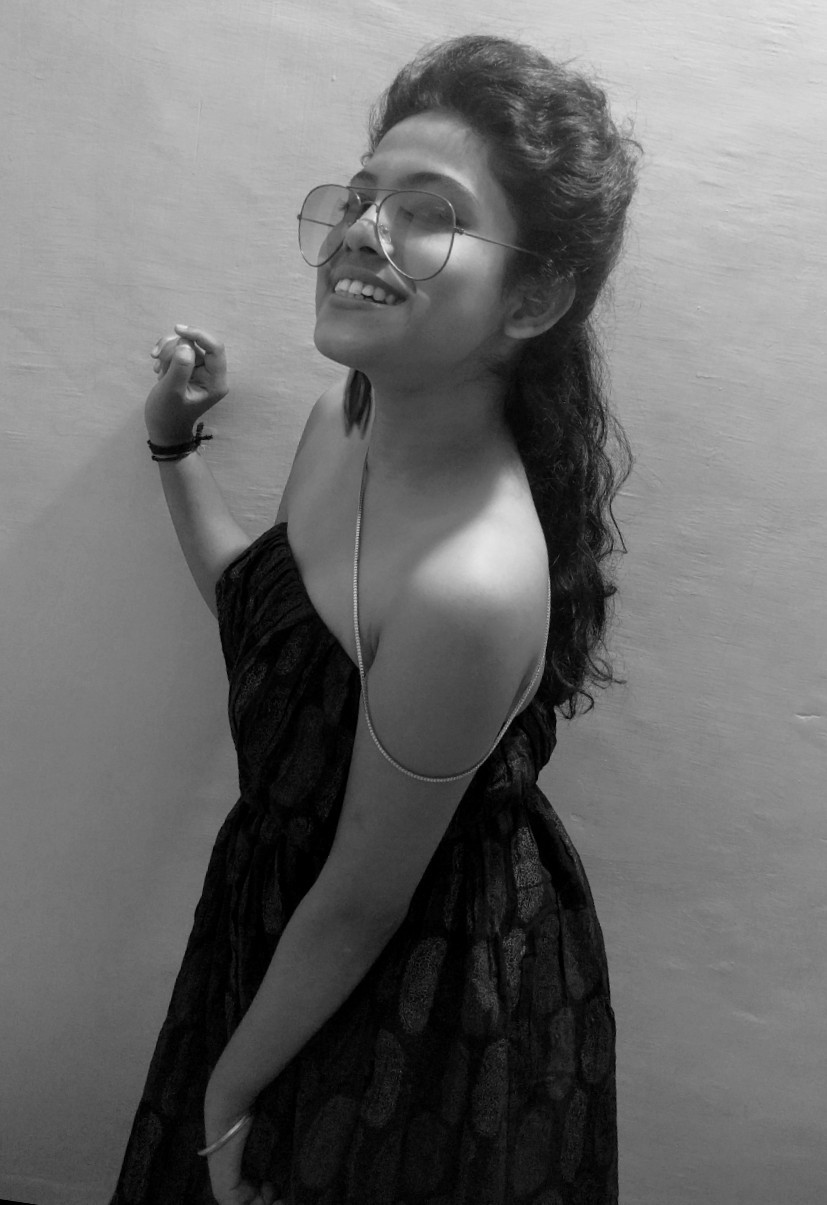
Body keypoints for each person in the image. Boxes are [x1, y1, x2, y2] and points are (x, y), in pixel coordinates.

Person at [110, 33, 641, 1205]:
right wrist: (172, 446)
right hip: (291, 933)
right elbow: (270, 621)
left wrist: (224, 1090)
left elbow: (362, 897)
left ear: (533, 296)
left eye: (426, 212)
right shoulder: (338, 421)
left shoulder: (469, 584)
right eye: (360, 197)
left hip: (412, 996)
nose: (361, 230)